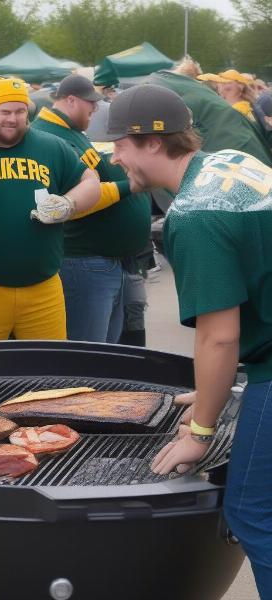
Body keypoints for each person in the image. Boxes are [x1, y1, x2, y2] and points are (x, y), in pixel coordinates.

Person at [107, 83, 272, 597]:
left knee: (251, 510)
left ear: (153, 142)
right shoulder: (229, 162)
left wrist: (200, 431)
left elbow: (220, 339)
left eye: (119, 144)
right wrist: (213, 392)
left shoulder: (196, 212)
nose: (114, 158)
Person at [0, 76, 101, 343]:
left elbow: (90, 182)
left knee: (48, 374)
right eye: (4, 111)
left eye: (20, 111)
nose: (12, 119)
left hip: (43, 286)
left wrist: (68, 203)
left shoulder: (49, 146)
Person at [32, 75, 151, 343]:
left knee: (108, 357)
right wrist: (129, 186)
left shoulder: (71, 132)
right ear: (71, 100)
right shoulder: (49, 135)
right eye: (91, 103)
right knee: (88, 358)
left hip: (105, 263)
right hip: (84, 262)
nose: (95, 108)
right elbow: (69, 203)